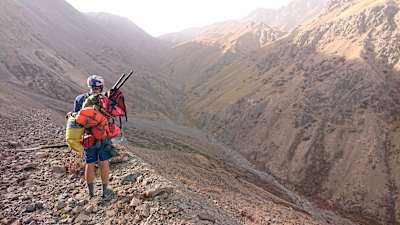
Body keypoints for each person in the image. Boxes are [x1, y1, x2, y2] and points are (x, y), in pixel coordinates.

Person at [73, 75, 113, 199]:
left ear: (89, 86)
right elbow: (111, 116)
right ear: (101, 86)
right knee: (104, 162)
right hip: (103, 135)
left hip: (88, 137)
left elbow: (75, 118)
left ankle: (90, 193)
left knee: (89, 163)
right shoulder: (105, 99)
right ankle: (105, 192)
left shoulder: (80, 99)